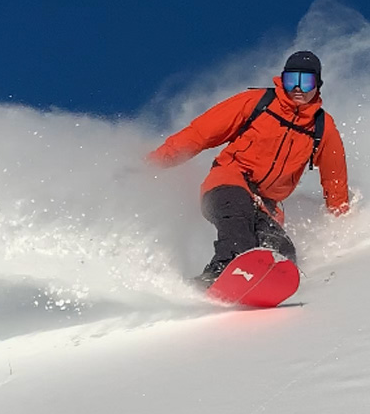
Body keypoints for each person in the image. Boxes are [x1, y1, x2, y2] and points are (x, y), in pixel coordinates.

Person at [148, 50, 352, 284]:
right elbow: (200, 133)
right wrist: (154, 162)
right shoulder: (258, 103)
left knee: (282, 252)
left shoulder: (322, 128)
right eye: (290, 80)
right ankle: (219, 274)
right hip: (227, 183)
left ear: (318, 85)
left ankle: (258, 285)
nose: (297, 88)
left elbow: (335, 178)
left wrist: (341, 221)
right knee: (239, 229)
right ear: (282, 80)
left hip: (266, 204)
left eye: (306, 82)